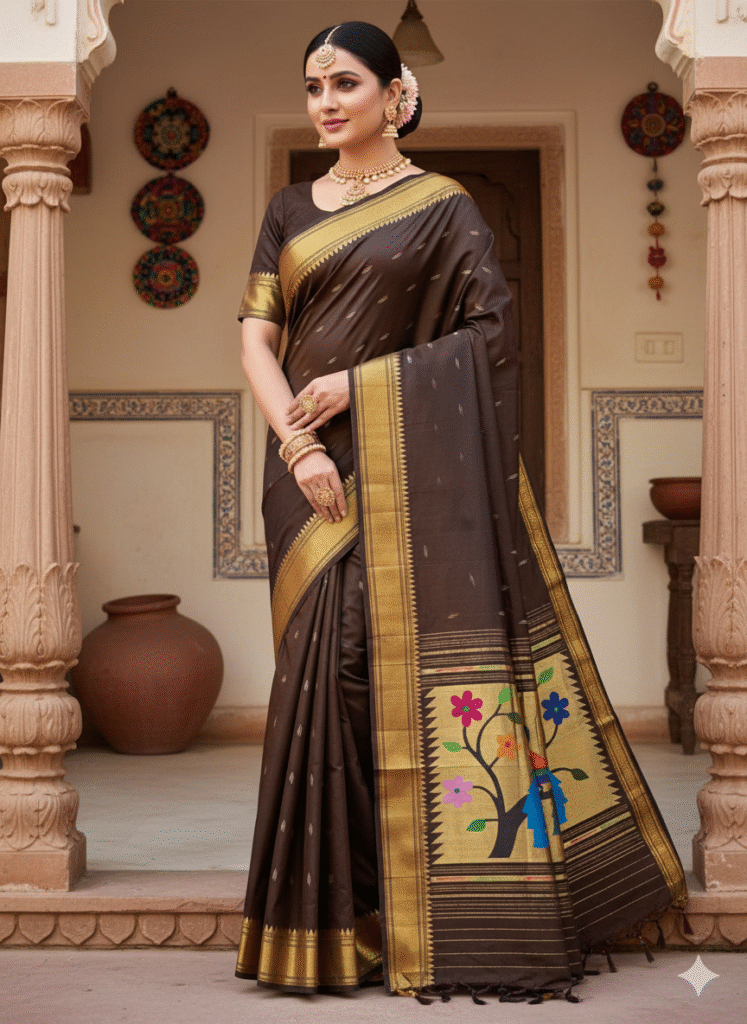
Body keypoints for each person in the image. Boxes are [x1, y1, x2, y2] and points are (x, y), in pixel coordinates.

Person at [235, 21, 688, 1003]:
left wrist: (362, 388)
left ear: (397, 96)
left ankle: (412, 913)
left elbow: (489, 340)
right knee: (317, 672)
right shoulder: (285, 209)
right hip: (303, 472)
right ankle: (326, 930)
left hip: (402, 462)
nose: (324, 102)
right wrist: (301, 443)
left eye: (345, 83)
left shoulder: (445, 209)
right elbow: (255, 343)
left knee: (360, 670)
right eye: (312, 85)